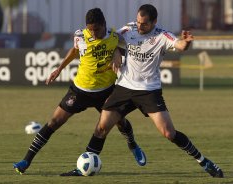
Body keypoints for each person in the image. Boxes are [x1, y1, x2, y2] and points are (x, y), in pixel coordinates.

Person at [62, 4, 224, 178]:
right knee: (102, 128)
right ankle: (83, 167)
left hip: (149, 91)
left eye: (144, 24)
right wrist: (117, 51)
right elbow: (111, 39)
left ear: (154, 22)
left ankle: (204, 161)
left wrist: (187, 42)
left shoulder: (162, 36)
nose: (139, 26)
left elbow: (181, 46)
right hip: (124, 88)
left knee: (169, 133)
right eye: (138, 22)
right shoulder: (129, 29)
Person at [13, 8, 146, 175]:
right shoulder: (81, 36)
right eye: (90, 29)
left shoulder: (114, 36)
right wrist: (59, 69)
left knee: (120, 122)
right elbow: (74, 50)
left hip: (106, 91)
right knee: (54, 122)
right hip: (80, 90)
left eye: (96, 29)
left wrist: (118, 52)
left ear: (104, 25)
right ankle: (26, 160)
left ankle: (133, 145)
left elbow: (132, 49)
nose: (93, 33)